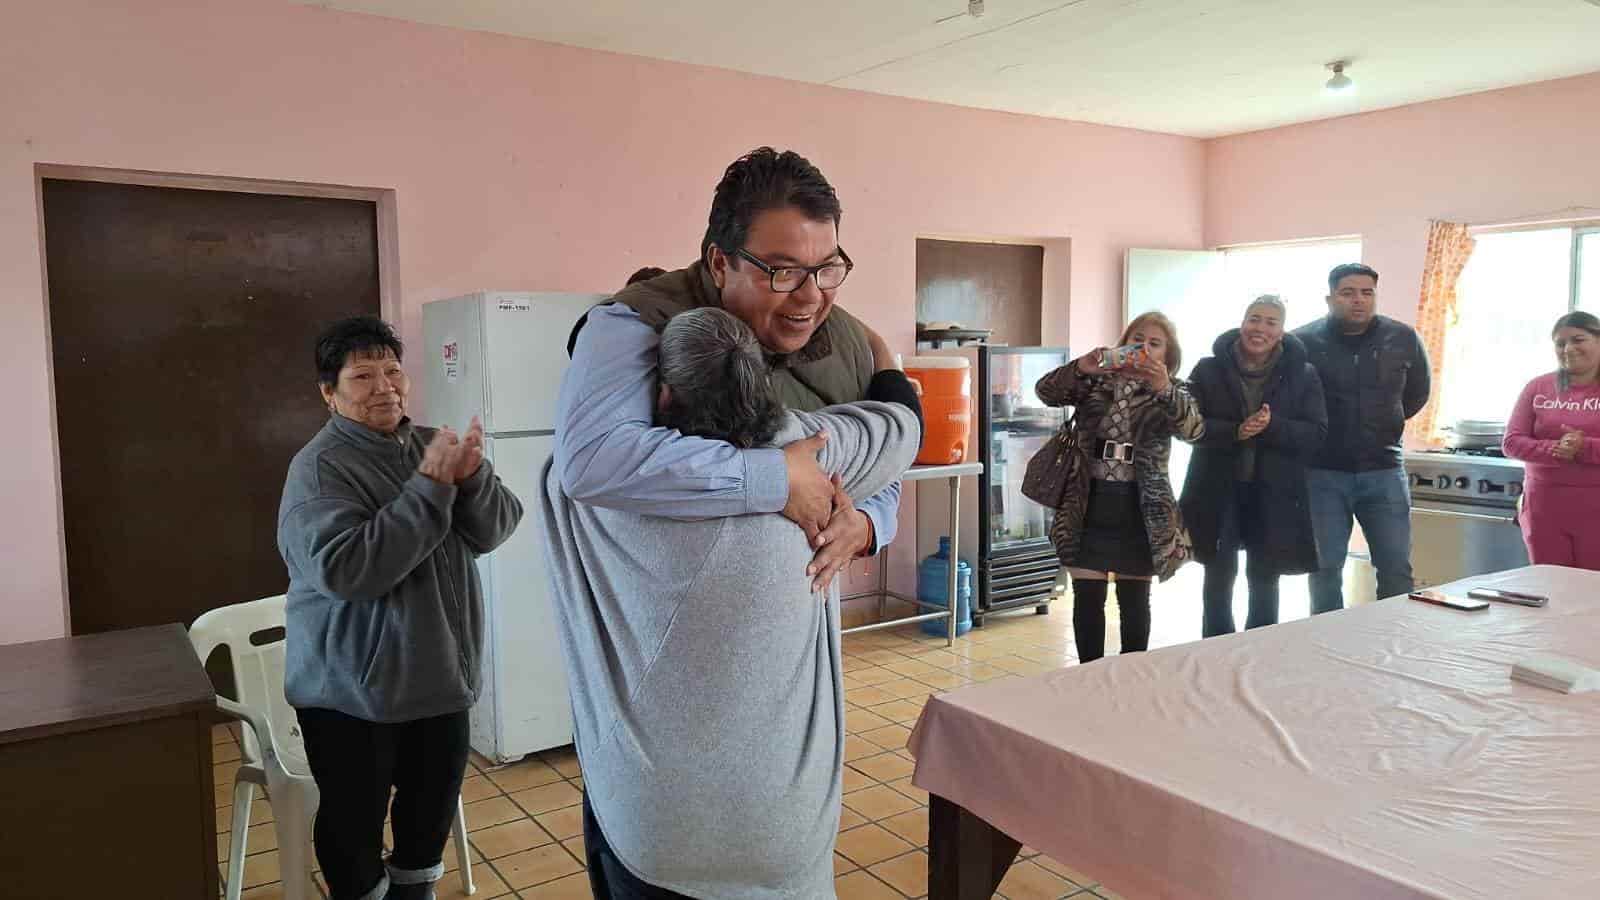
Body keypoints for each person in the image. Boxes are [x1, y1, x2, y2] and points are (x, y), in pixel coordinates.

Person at [541, 307, 920, 899]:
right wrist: (884, 357)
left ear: (660, 394)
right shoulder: (816, 453)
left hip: (651, 822)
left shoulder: (587, 486)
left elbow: (591, 444)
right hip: (784, 823)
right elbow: (903, 424)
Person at [556, 146, 902, 596]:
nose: (811, 297)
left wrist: (869, 523)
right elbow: (593, 461)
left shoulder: (850, 339)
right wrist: (775, 477)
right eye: (784, 271)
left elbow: (884, 461)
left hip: (803, 622)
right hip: (672, 623)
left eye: (826, 268)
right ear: (721, 263)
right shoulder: (632, 323)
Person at [277, 316, 523, 900]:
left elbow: (494, 529)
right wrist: (431, 488)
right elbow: (349, 570)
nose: (385, 386)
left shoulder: (428, 443)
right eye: (362, 376)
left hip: (440, 676)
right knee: (352, 825)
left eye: (391, 370)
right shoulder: (318, 469)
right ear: (328, 393)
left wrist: (471, 478)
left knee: (427, 820)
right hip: (351, 695)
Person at [1035, 311, 1203, 663]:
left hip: (1140, 505)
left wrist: (1164, 390)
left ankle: (1131, 677)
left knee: (1134, 599)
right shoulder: (1096, 381)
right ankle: (1089, 674)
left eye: (1154, 343)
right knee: (1088, 597)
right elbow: (1045, 391)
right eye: (1136, 338)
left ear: (1167, 356)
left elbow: (1194, 431)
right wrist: (1082, 367)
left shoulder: (1176, 390)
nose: (1143, 347)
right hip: (1087, 499)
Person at [1181, 296, 1327, 636]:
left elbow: (1316, 433)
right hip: (1217, 488)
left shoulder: (1303, 374)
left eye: (1270, 322)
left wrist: (1271, 426)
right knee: (1218, 574)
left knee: (1264, 576)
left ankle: (1260, 651)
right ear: (1242, 322)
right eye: (1254, 319)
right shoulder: (1207, 369)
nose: (1259, 328)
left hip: (1274, 491)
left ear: (1281, 332)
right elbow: (1187, 426)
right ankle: (1215, 648)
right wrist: (1233, 431)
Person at [1294, 263, 1429, 611]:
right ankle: (1327, 645)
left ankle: (1393, 641)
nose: (1359, 300)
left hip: (1383, 470)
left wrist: (1384, 425)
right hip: (1322, 473)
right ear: (1330, 298)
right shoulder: (1302, 342)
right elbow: (1292, 401)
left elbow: (1416, 394)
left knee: (1396, 567)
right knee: (1325, 569)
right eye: (1348, 292)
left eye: (1367, 293)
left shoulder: (1401, 338)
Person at [1503, 311, 1600, 569]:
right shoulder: (1538, 386)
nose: (1568, 348)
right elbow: (1511, 441)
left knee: (1592, 593)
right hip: (1544, 508)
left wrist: (1585, 447)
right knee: (1550, 588)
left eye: (1578, 339)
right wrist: (1554, 450)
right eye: (1560, 343)